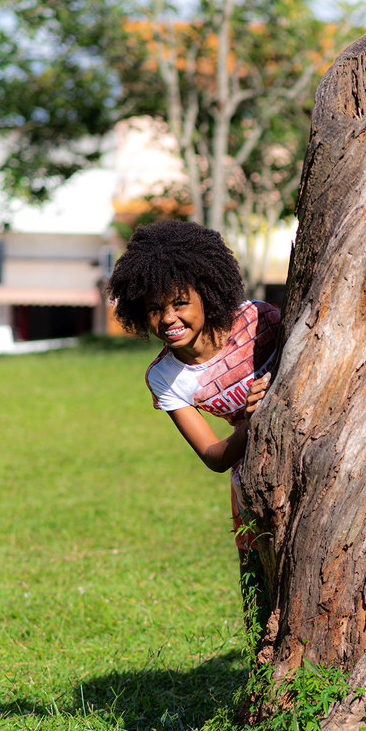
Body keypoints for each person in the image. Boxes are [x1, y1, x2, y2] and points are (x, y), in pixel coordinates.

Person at [105, 219, 277, 632]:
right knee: (257, 583)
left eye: (179, 303)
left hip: (313, 453)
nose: (168, 318)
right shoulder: (165, 377)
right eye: (154, 309)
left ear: (207, 292)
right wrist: (253, 422)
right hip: (251, 477)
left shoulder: (261, 320)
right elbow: (214, 457)